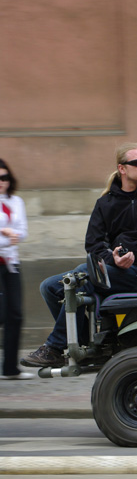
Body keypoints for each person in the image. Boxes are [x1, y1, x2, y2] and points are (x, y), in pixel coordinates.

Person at [22, 144, 137, 369]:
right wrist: (113, 259)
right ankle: (81, 343)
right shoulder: (106, 203)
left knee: (82, 278)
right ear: (122, 169)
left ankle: (54, 348)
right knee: (49, 287)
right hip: (114, 273)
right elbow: (93, 245)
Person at [0, 158, 34, 380]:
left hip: (11, 264)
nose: (1, 182)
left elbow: (22, 231)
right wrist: (6, 234)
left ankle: (10, 369)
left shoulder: (16, 201)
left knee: (16, 314)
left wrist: (8, 234)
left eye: (4, 177)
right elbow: (11, 236)